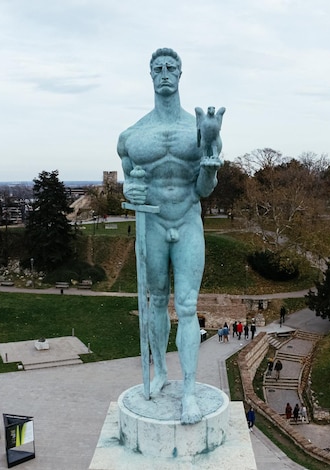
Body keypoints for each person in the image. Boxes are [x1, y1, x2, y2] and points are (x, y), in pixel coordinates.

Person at [118, 48, 224, 424]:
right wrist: (129, 192)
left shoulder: (197, 131)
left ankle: (190, 391)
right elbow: (129, 183)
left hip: (187, 219)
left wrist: (210, 163)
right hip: (152, 225)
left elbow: (204, 189)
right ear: (151, 75)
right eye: (158, 68)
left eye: (171, 68)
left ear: (180, 75)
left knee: (188, 306)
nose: (165, 73)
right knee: (154, 301)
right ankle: (160, 371)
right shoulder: (132, 136)